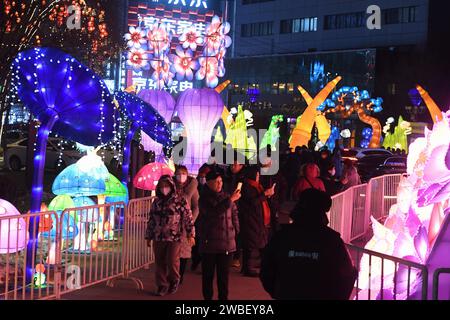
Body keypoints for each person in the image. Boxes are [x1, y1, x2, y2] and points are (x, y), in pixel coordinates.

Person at [260, 188, 357, 300]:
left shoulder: (282, 236)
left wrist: (279, 293)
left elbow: (266, 271)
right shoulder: (332, 240)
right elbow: (348, 275)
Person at [145, 175, 195, 296]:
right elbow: (152, 219)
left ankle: (174, 280)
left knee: (172, 260)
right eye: (162, 186)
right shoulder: (156, 202)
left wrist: (190, 233)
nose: (164, 189)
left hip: (174, 236)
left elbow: (188, 217)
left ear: (171, 186)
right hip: (158, 236)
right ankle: (162, 285)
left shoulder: (180, 201)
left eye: (166, 186)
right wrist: (148, 236)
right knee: (159, 262)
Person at [198, 170, 241, 300]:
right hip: (209, 243)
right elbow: (213, 213)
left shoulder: (226, 196)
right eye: (216, 181)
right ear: (209, 183)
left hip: (226, 243)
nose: (219, 184)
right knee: (208, 276)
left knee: (224, 278)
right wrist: (231, 200)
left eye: (221, 181)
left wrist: (236, 230)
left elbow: (234, 215)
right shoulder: (204, 198)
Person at [238, 166, 274, 277]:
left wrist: (266, 195)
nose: (258, 176)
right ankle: (249, 268)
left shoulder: (255, 186)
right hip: (251, 219)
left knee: (253, 244)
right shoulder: (247, 187)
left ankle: (247, 268)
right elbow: (253, 202)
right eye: (257, 174)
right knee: (252, 244)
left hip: (256, 219)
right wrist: (265, 194)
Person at [174, 165, 199, 284]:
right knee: (172, 252)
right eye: (178, 173)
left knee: (184, 252)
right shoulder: (171, 186)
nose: (181, 176)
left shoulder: (192, 187)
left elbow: (196, 205)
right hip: (172, 224)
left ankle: (180, 276)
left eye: (183, 173)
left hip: (185, 225)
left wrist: (191, 220)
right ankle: (173, 275)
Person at [223, 160, 246, 269]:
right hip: (228, 205)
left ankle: (236, 257)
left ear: (241, 165)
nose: (232, 166)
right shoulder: (227, 175)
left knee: (237, 232)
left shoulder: (243, 178)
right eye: (231, 164)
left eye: (235, 164)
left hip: (238, 208)